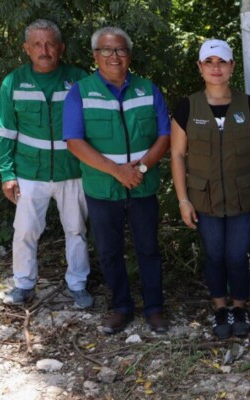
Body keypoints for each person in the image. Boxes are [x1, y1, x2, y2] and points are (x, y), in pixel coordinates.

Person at [63, 27, 171, 334]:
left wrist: (141, 169)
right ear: (96, 55)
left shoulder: (148, 89)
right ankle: (121, 307)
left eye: (121, 50)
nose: (115, 56)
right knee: (109, 251)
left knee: (148, 248)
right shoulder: (80, 92)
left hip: (142, 186)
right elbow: (74, 140)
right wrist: (116, 171)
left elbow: (165, 135)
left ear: (129, 55)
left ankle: (154, 308)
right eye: (107, 50)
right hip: (102, 189)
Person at [170, 39, 250, 339]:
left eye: (222, 61)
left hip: (243, 198)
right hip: (204, 199)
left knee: (237, 256)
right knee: (214, 255)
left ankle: (239, 307)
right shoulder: (188, 107)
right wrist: (183, 200)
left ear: (232, 67)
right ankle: (219, 309)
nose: (216, 67)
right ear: (200, 67)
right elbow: (176, 154)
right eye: (209, 62)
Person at [0, 19, 92, 309]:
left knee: (76, 230)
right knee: (24, 230)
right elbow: (4, 131)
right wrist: (7, 173)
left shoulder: (79, 79)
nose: (44, 49)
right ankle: (23, 284)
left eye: (50, 43)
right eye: (37, 44)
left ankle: (78, 284)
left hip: (73, 171)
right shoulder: (13, 82)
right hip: (29, 173)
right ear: (26, 48)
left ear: (61, 48)